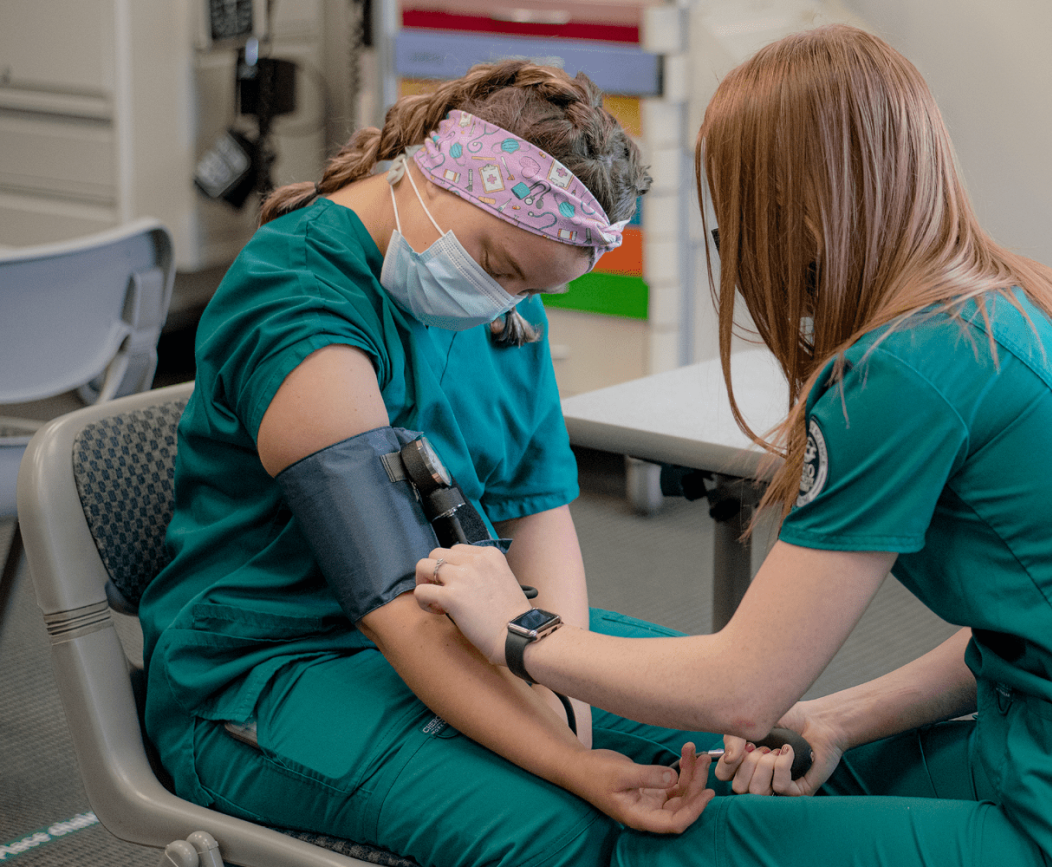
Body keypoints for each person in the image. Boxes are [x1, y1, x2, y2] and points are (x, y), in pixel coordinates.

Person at [412, 25, 1052, 867]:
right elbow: (1050, 623)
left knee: (667, 843)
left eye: (738, 220)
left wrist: (520, 630)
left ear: (794, 218)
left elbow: (742, 688)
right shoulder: (1014, 308)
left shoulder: (902, 371)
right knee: (779, 778)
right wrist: (836, 717)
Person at [139, 60, 715, 867]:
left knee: (731, 743)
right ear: (438, 176)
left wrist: (562, 679)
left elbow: (537, 509)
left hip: (465, 622)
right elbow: (391, 595)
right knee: (560, 827)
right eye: (500, 266)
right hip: (273, 667)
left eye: (527, 290)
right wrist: (571, 759)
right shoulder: (299, 295)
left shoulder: (502, 302)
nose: (503, 304)